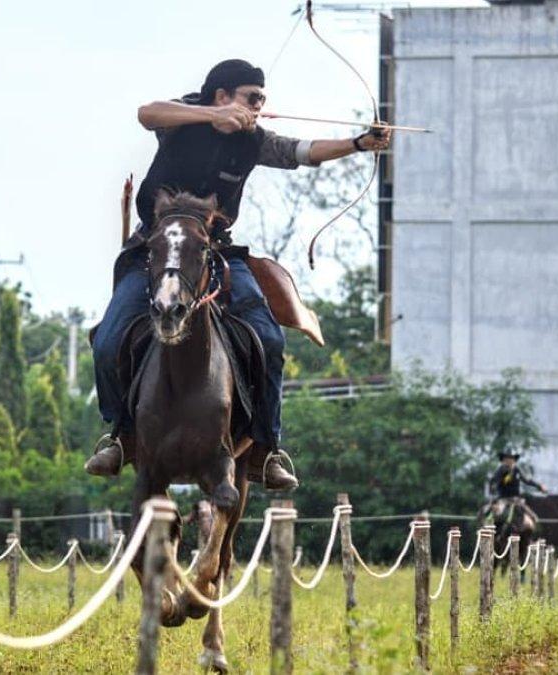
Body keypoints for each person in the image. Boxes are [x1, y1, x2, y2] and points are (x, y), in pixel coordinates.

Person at [84, 58, 391, 491]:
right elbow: (145, 112)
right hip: (154, 249)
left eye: (262, 99)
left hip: (215, 252)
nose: (259, 107)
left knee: (269, 338)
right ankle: (119, 435)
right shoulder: (182, 117)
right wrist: (212, 116)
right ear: (223, 95)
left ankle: (266, 449)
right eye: (253, 98)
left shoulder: (253, 141)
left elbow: (303, 151)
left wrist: (358, 143)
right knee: (109, 337)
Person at [483, 451, 548, 524]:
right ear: (503, 460)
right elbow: (493, 481)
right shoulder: (500, 470)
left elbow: (526, 480)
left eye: (511, 458)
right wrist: (494, 486)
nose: (509, 461)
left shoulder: (517, 470)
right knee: (493, 513)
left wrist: (539, 486)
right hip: (502, 499)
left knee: (533, 517)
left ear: (514, 460)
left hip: (516, 499)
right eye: (507, 459)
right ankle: (488, 525)